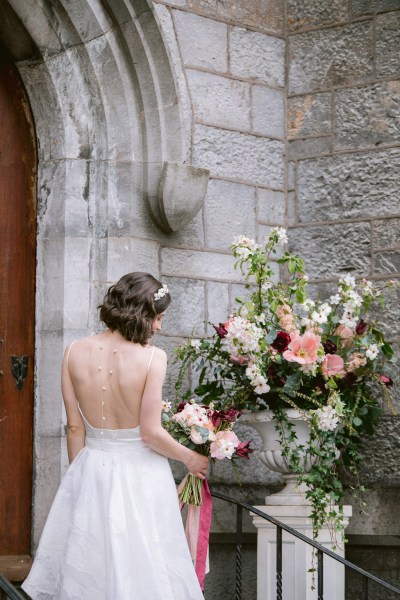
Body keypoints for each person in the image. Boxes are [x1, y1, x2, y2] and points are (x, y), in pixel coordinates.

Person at [22, 272, 208, 600]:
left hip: (90, 466)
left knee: (91, 564)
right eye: (158, 318)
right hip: (141, 472)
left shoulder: (72, 352)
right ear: (141, 313)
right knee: (145, 562)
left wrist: (82, 481)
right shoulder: (153, 358)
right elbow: (150, 433)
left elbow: (75, 428)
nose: (159, 328)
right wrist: (190, 457)